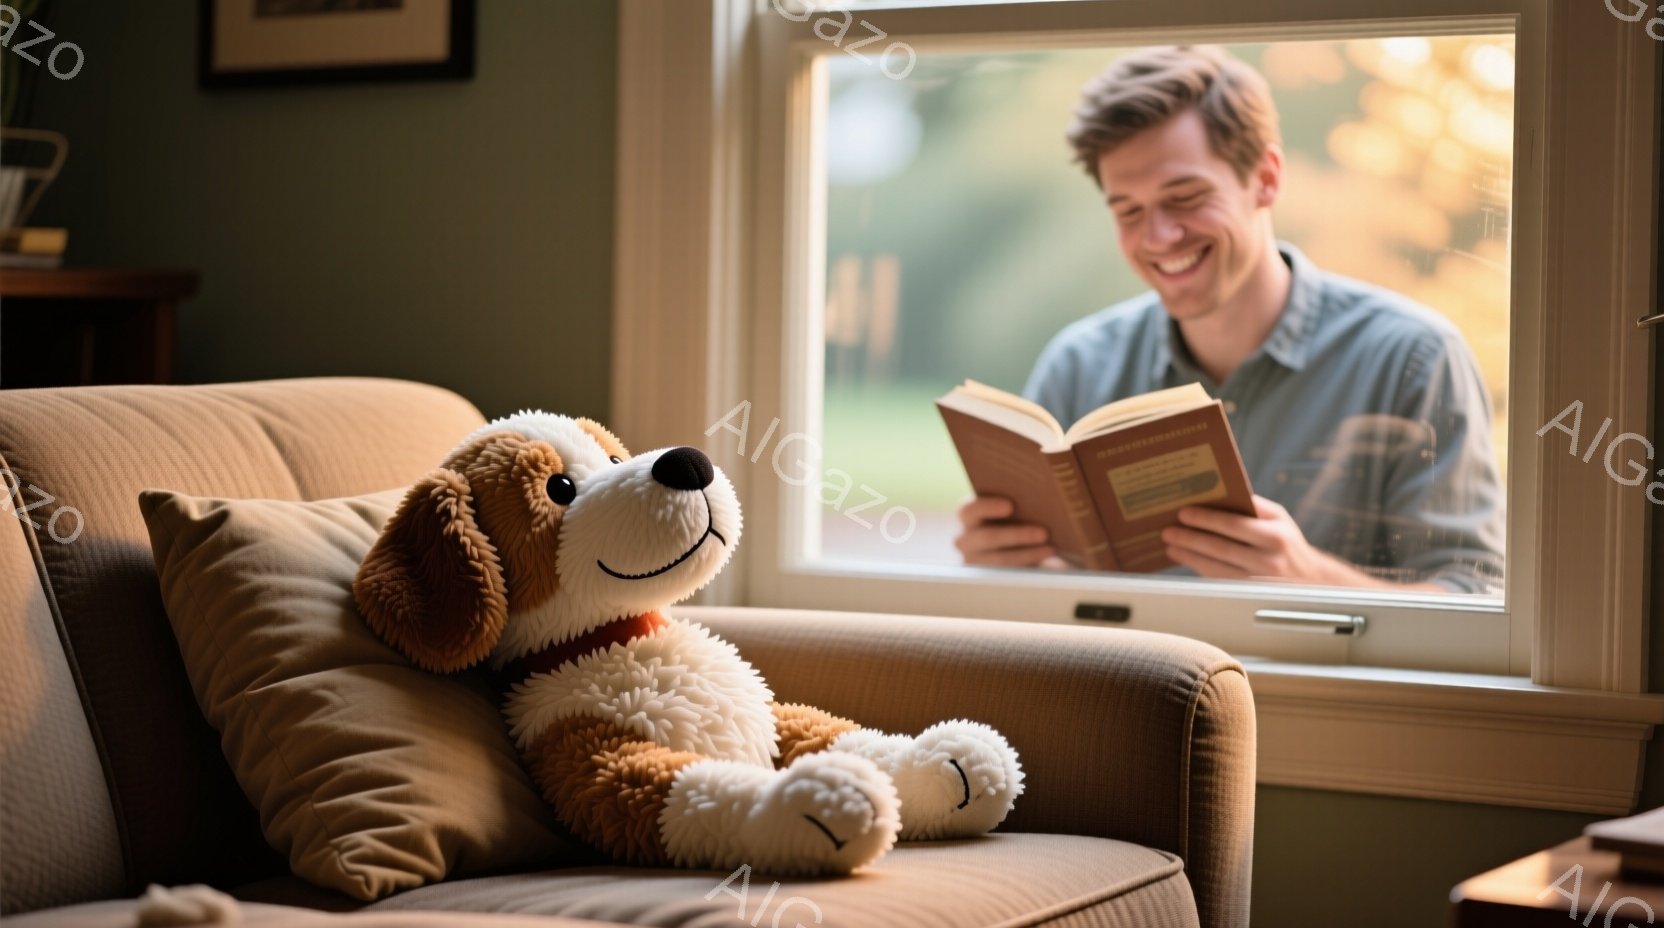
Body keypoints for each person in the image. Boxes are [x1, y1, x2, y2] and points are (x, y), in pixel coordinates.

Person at [953, 45, 1505, 593]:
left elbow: (1474, 600)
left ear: (1265, 177)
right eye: (1129, 211)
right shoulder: (1078, 364)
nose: (1158, 238)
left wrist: (1308, 577)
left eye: (1186, 197)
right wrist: (1010, 570)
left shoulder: (1413, 359)